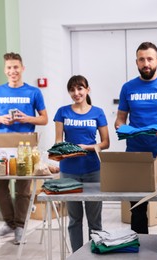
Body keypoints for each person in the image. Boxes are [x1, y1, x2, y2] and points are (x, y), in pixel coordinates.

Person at [114, 42, 157, 234]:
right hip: (136, 157)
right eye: (142, 59)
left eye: (150, 59)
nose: (146, 63)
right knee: (137, 207)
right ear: (136, 62)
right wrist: (121, 127)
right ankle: (139, 246)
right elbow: (120, 119)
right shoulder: (128, 88)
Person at [0, 52, 48, 244]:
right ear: (5, 71)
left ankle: (20, 226)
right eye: (9, 68)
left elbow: (44, 118)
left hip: (25, 145)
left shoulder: (34, 92)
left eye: (16, 67)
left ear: (22, 68)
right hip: (2, 146)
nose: (13, 71)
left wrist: (27, 118)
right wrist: (0, 119)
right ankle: (10, 223)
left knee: (23, 188)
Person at [54, 75, 110, 252]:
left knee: (95, 220)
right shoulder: (62, 112)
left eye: (80, 88)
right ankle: (77, 254)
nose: (76, 93)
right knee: (74, 219)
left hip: (93, 169)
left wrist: (87, 147)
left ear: (87, 89)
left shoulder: (98, 112)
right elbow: (57, 141)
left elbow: (106, 143)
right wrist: (64, 149)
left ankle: (95, 252)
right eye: (72, 89)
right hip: (68, 171)